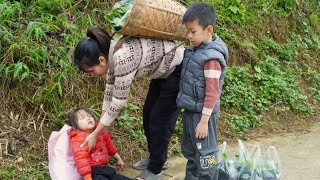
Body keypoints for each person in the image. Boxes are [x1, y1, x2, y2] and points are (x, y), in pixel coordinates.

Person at [73, 27, 184, 179]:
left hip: (177, 70)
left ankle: (155, 170)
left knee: (159, 121)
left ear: (101, 60)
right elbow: (109, 92)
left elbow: (118, 102)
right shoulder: (110, 53)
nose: (92, 75)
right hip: (162, 73)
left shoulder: (122, 58)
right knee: (148, 115)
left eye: (91, 71)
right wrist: (98, 127)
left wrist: (96, 133)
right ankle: (157, 159)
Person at [176, 3, 229, 179]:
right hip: (191, 111)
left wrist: (204, 121)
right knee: (191, 153)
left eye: (193, 31)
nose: (189, 36)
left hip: (203, 115)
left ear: (208, 29)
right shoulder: (195, 50)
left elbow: (212, 93)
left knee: (207, 157)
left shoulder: (211, 58)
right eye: (187, 31)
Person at [68, 107, 132, 180]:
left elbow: (109, 145)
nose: (88, 118)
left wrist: (118, 158)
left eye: (89, 116)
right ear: (75, 127)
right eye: (82, 118)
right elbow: (81, 159)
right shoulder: (78, 139)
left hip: (106, 168)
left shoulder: (100, 130)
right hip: (94, 172)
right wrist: (87, 177)